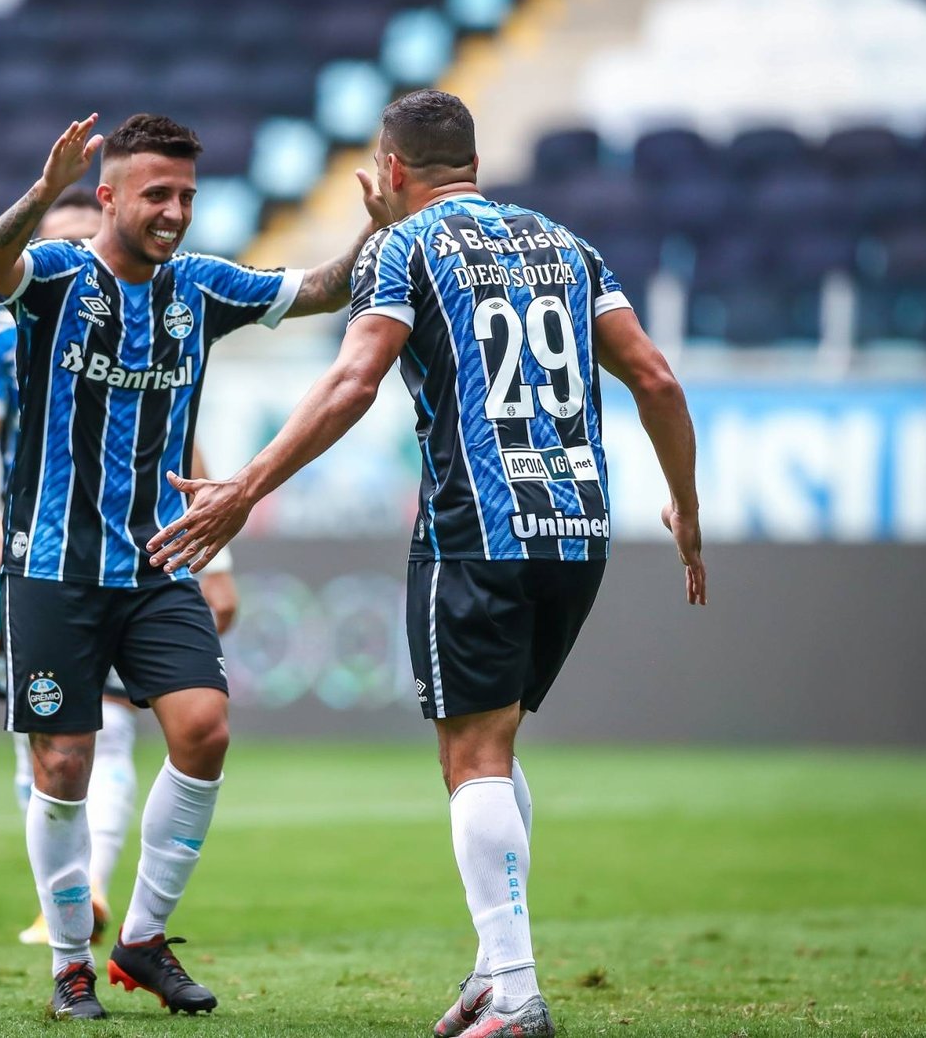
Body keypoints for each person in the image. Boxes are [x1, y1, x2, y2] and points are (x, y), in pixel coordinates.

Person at [148, 90, 707, 1038]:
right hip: (579, 529)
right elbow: (654, 376)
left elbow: (353, 379)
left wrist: (245, 485)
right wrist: (686, 508)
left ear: (393, 170)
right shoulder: (568, 246)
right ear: (473, 164)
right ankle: (495, 968)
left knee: (471, 758)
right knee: (496, 746)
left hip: (475, 530)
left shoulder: (405, 247)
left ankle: (518, 993)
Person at [0, 112, 383, 1019]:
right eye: (157, 193)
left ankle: (143, 938)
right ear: (108, 196)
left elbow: (324, 289)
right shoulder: (55, 275)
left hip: (160, 560)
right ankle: (70, 965)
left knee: (204, 731)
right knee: (64, 763)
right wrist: (41, 194)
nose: (175, 211)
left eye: (187, 195)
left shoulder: (200, 287)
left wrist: (377, 224)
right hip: (53, 564)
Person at [0, 189, 239, 946]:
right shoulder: (7, 329)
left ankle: (98, 893)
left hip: (137, 557)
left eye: (89, 239)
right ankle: (64, 899)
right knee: (47, 747)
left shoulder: (153, 310)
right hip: (43, 555)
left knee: (111, 734)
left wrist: (219, 557)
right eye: (64, 243)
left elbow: (180, 440)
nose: (83, 258)